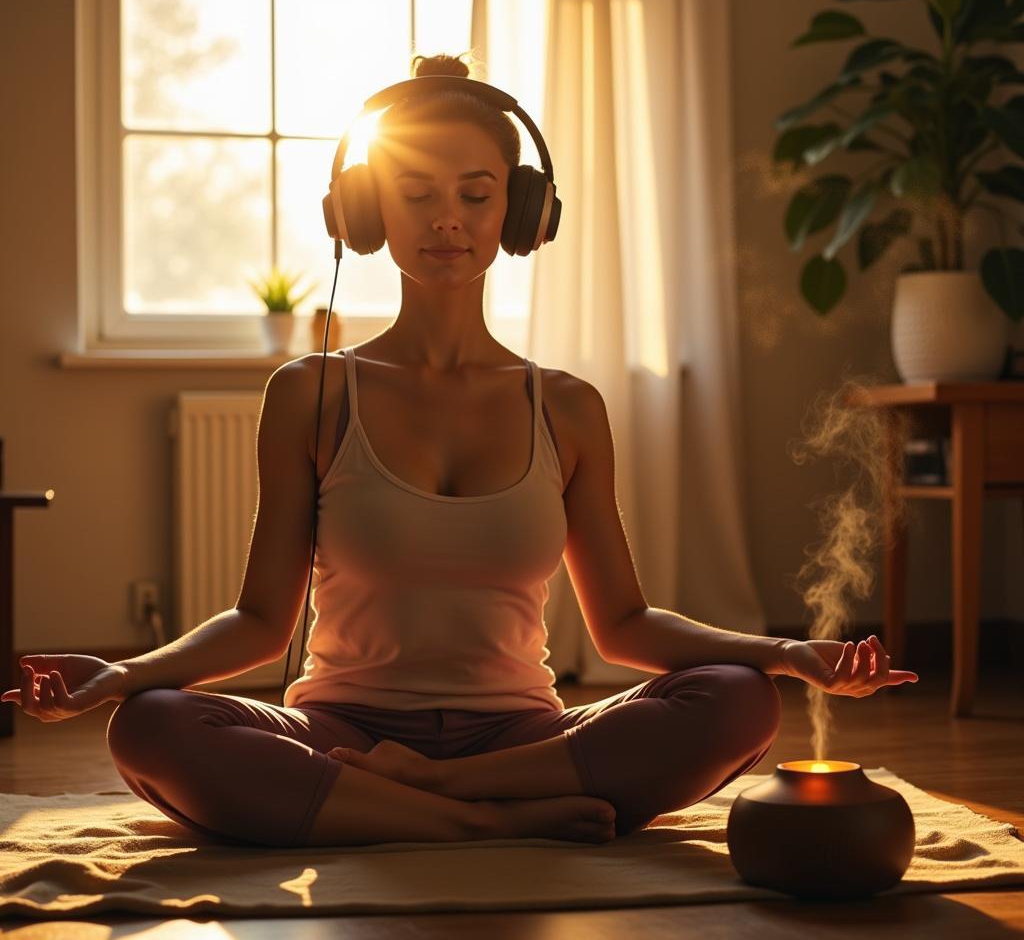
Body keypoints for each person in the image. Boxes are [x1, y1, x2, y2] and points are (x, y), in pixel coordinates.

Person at [3, 53, 918, 849]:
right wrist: (117, 676)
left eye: (477, 195)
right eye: (416, 195)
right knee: (151, 727)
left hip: (524, 737)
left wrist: (787, 655)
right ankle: (490, 822)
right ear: (364, 213)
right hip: (345, 732)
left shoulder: (568, 407)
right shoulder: (310, 395)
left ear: (521, 211)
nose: (448, 220)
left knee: (740, 701)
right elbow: (258, 623)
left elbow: (625, 627)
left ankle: (416, 801)